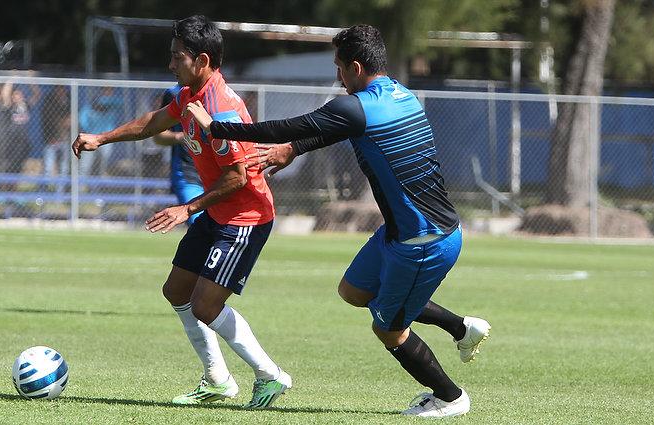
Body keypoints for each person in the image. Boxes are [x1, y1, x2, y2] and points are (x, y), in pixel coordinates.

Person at [184, 24, 490, 418]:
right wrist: (294, 150)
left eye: (339, 68)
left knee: (389, 330)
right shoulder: (400, 95)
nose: (338, 76)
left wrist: (216, 127)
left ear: (356, 68)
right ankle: (461, 328)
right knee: (354, 291)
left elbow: (287, 126)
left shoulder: (354, 107)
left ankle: (450, 397)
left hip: (423, 242)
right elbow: (329, 130)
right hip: (403, 232)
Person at [71, 15, 291, 409]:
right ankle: (217, 379)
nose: (170, 63)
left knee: (206, 305)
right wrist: (102, 138)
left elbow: (238, 177)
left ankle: (269, 375)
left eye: (178, 57)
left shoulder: (221, 110)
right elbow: (154, 122)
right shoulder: (191, 94)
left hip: (244, 217)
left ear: (202, 60)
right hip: (218, 212)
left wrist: (186, 208)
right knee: (176, 290)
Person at [152, 85, 204, 224]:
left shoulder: (220, 92)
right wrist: (180, 137)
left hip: (218, 174)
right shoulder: (174, 93)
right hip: (188, 172)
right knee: (198, 222)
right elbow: (158, 136)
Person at [77, 86, 121, 176]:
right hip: (92, 137)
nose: (107, 92)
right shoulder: (91, 105)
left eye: (110, 90)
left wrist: (104, 103)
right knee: (85, 164)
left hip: (107, 137)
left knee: (103, 163)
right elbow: (82, 118)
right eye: (105, 90)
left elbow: (119, 103)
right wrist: (97, 105)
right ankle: (82, 183)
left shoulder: (114, 103)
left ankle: (98, 183)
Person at [41, 86, 70, 188]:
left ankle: (60, 191)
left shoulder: (69, 100)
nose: (61, 91)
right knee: (48, 166)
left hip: (65, 139)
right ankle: (45, 190)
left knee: (64, 167)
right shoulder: (49, 101)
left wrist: (67, 121)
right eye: (59, 89)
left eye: (63, 89)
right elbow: (50, 120)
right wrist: (51, 137)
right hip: (51, 139)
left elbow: (71, 119)